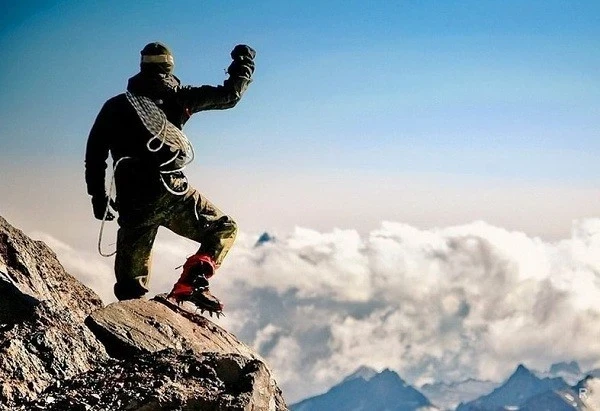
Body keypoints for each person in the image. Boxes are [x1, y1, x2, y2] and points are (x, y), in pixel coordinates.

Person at [85, 42, 255, 314]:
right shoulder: (180, 98)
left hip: (133, 202)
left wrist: (99, 197)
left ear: (142, 66)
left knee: (130, 285)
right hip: (171, 191)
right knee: (224, 228)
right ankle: (192, 282)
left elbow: (95, 155)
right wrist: (244, 63)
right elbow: (229, 96)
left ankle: (133, 321)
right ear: (169, 67)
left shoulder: (115, 106)